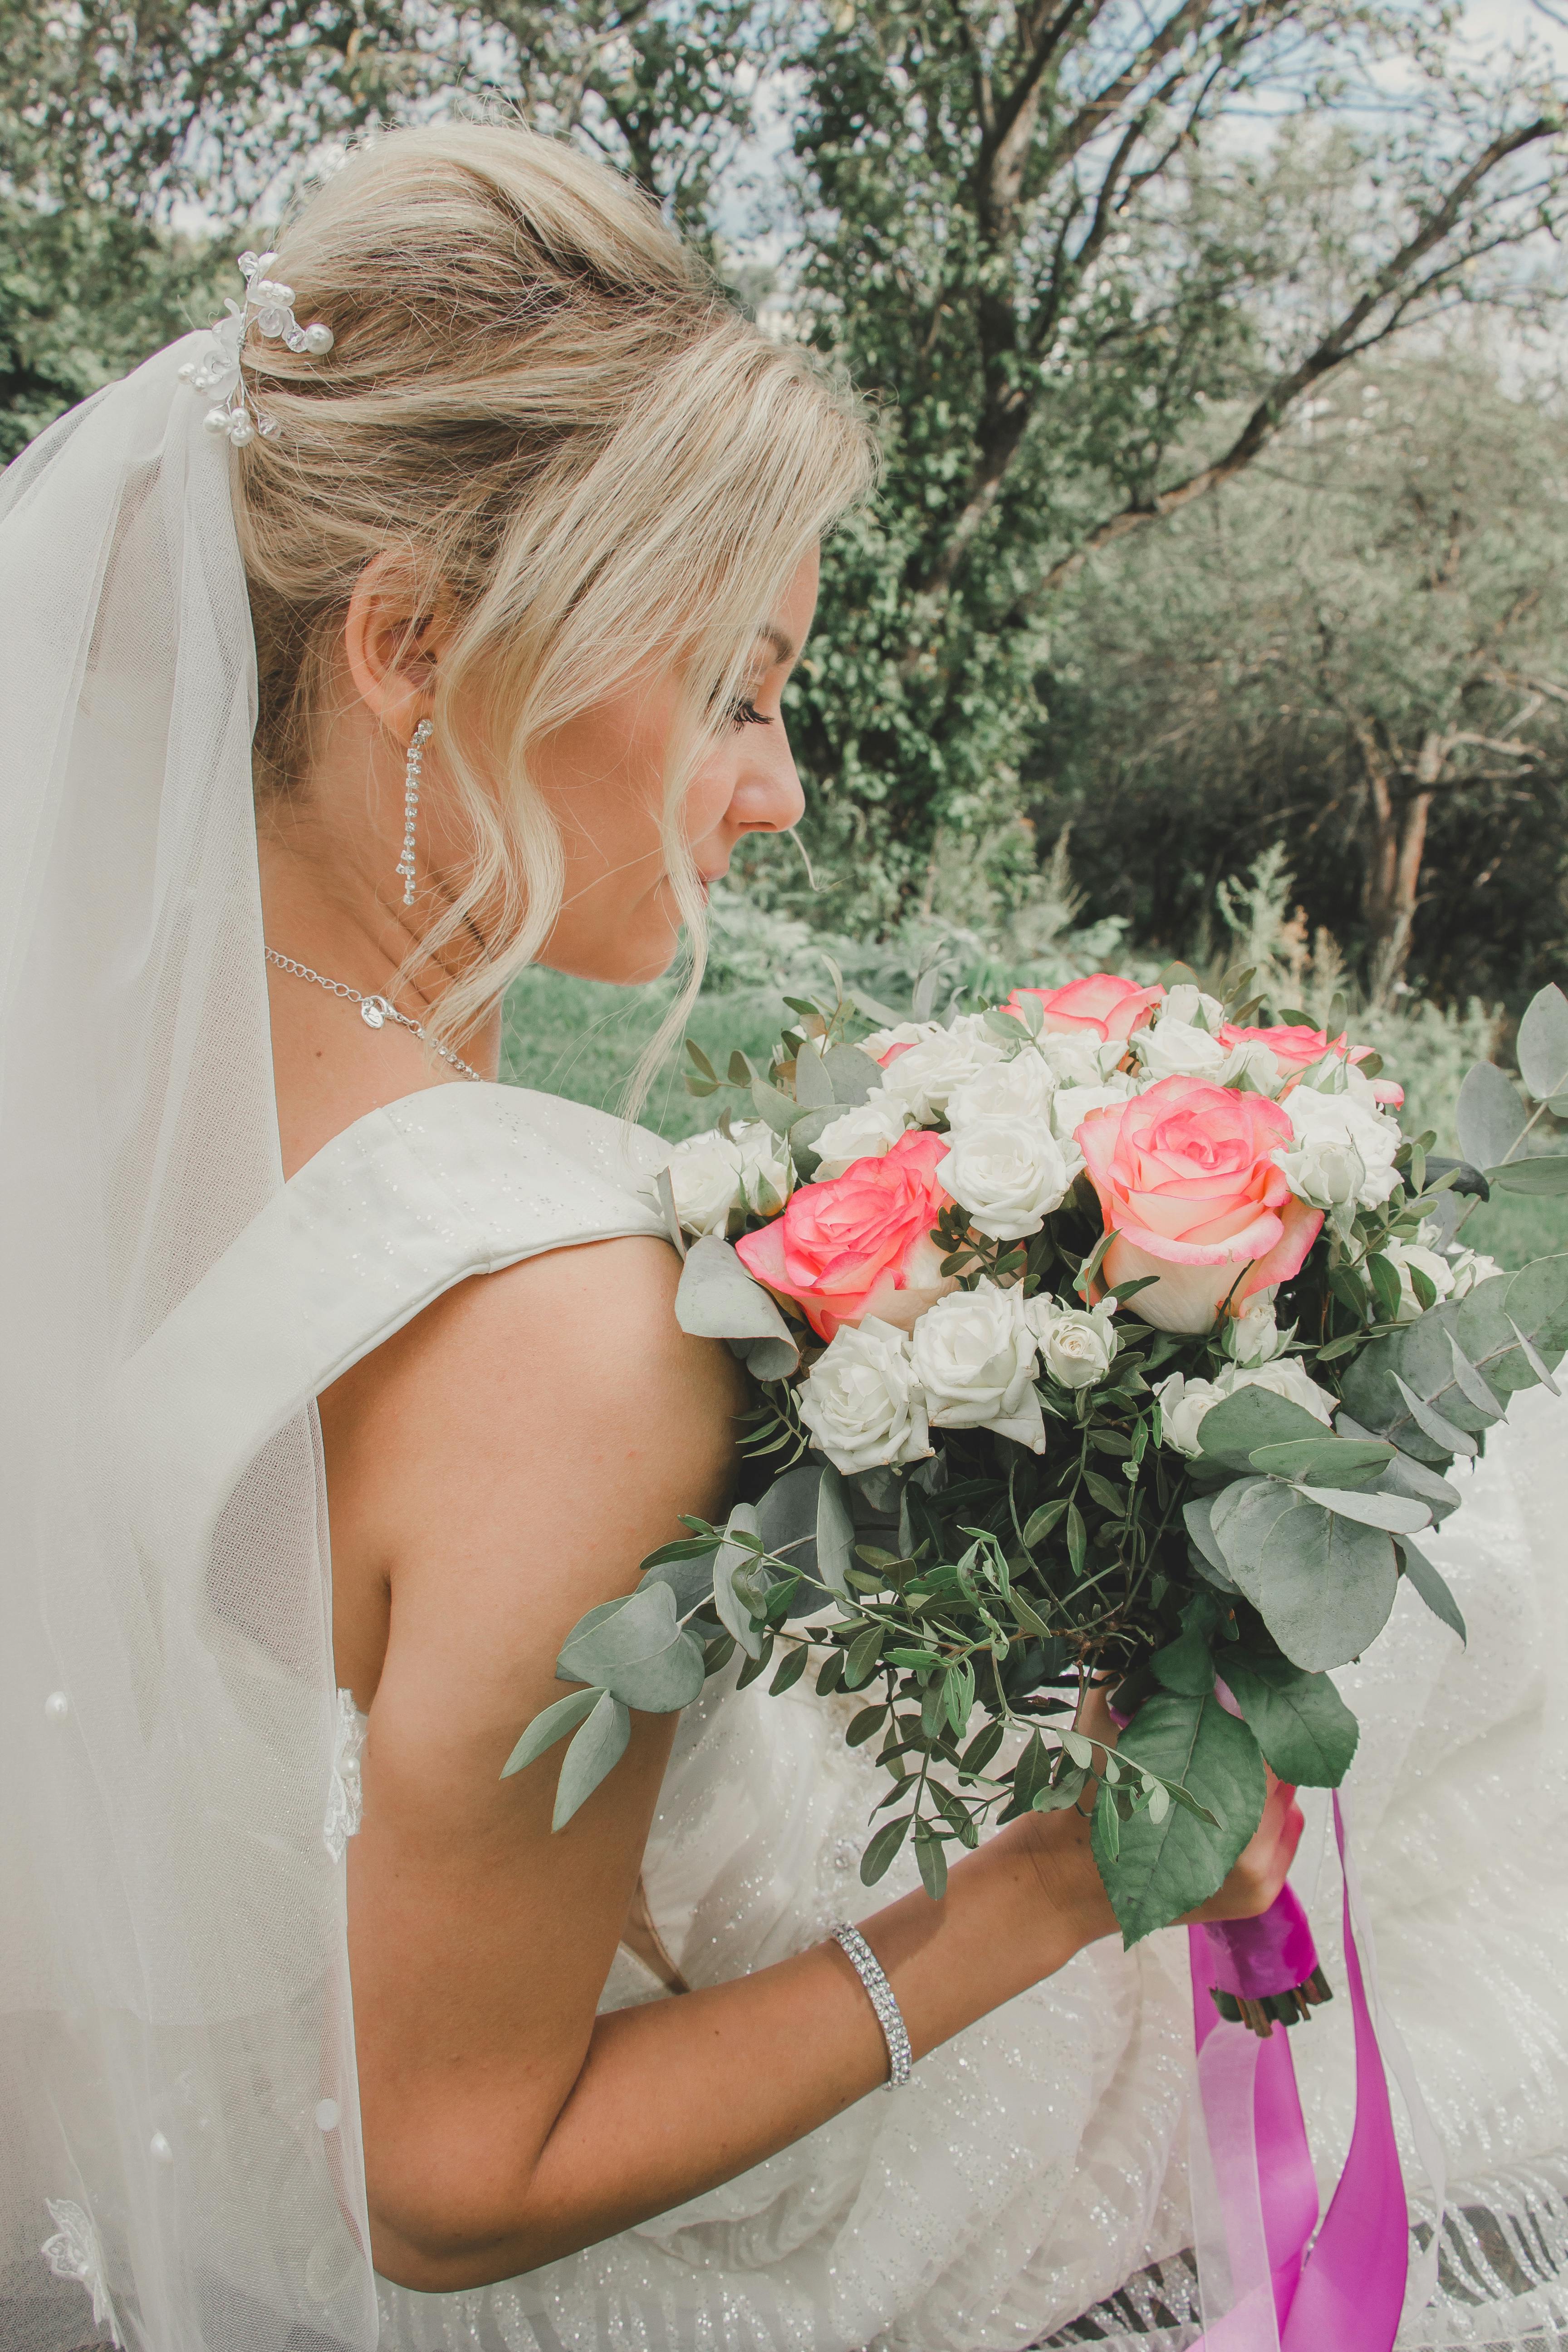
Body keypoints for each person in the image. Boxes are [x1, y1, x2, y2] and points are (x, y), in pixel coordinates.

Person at [0, 116, 1558, 2352]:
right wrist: (1062, 1881)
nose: (786, 781)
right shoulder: (546, 1316)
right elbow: (453, 2174)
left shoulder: (75, 1125)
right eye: (734, 685)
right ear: (414, 647)